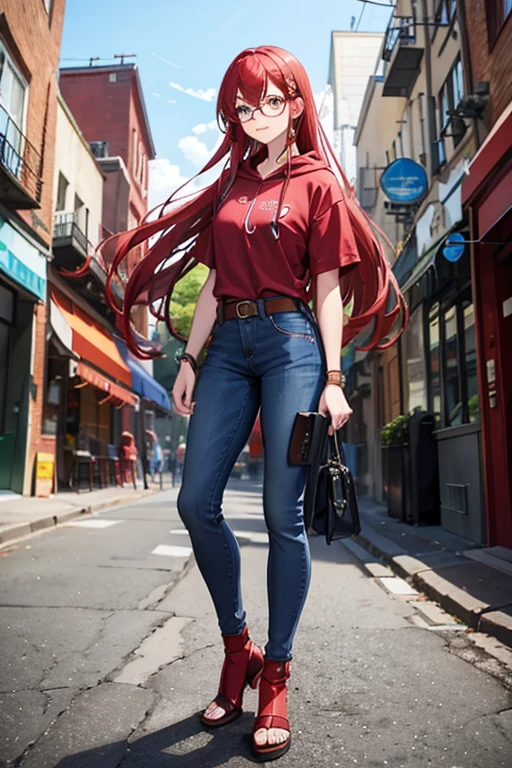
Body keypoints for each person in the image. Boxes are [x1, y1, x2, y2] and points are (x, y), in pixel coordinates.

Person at [103, 46, 406, 761]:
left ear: (296, 104)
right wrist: (190, 358)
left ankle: (277, 672)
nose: (254, 115)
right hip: (229, 350)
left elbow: (328, 285)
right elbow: (212, 283)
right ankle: (236, 645)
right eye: (242, 106)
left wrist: (334, 376)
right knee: (194, 501)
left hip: (292, 343)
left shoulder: (318, 185)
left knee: (282, 514)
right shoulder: (233, 186)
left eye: (269, 100)